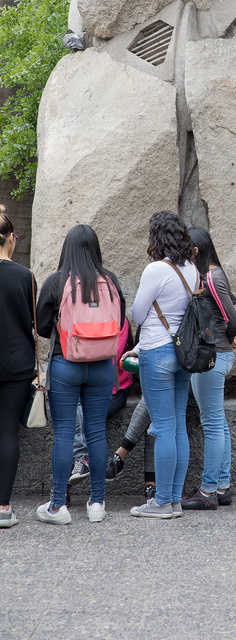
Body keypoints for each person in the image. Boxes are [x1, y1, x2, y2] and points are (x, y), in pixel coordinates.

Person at [36, 225, 125, 525]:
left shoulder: (57, 282)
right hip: (102, 365)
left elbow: (40, 324)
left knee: (63, 432)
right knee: (97, 432)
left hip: (66, 362)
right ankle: (97, 503)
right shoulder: (110, 281)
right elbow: (120, 319)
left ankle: (58, 506)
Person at [129, 211, 197, 519]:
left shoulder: (156, 269)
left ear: (156, 237)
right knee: (178, 424)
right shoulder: (192, 269)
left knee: (164, 426)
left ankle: (162, 501)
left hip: (156, 351)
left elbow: (138, 314)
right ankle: (175, 501)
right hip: (183, 354)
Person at [181, 226, 236, 510]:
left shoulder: (211, 276)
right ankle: (222, 487)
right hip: (216, 356)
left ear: (195, 250)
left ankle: (207, 492)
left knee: (213, 425)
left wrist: (224, 342)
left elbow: (235, 321)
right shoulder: (206, 275)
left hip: (212, 358)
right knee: (219, 424)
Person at [0, 206, 37, 528]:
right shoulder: (25, 276)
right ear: (11, 238)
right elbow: (33, 324)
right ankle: (3, 507)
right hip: (17, 363)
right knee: (8, 432)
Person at [68, 318, 135, 488]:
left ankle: (80, 463)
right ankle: (65, 487)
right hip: (85, 389)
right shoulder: (83, 315)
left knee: (79, 416)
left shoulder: (118, 319)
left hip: (113, 390)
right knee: (69, 413)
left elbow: (112, 354)